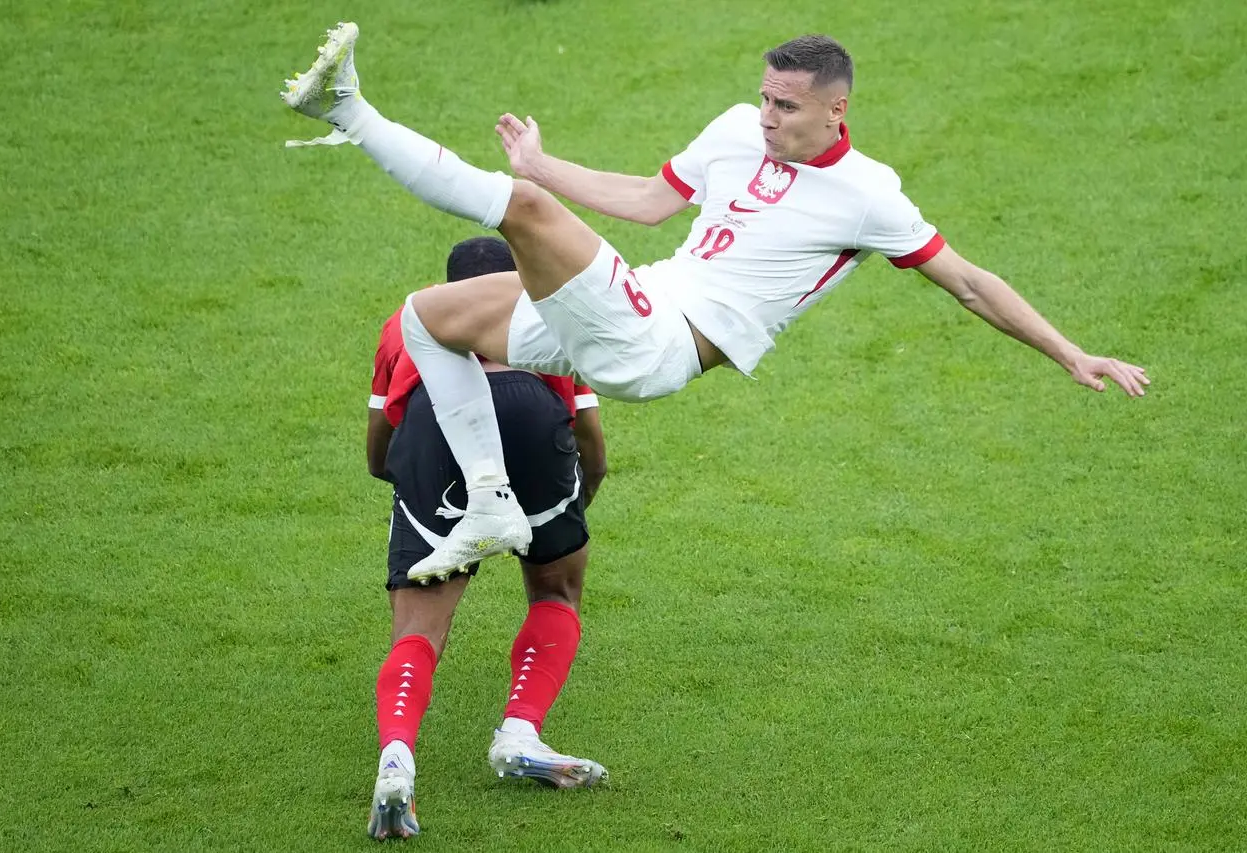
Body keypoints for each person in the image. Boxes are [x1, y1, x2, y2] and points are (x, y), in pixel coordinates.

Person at [282, 23, 1149, 584]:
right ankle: (484, 505)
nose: (767, 115)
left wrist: (1072, 352)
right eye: (766, 96)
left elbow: (968, 281)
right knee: (426, 317)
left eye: (787, 106)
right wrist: (545, 163)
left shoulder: (870, 195)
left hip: (663, 341)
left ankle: (347, 107)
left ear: (836, 110)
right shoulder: (737, 127)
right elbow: (650, 198)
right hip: (644, 295)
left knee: (524, 216)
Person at [364, 236, 609, 841]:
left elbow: (379, 447)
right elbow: (592, 447)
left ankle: (396, 760)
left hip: (433, 429)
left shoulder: (410, 319)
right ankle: (519, 732)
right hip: (534, 421)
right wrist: (559, 525)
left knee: (418, 629)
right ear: (519, 274)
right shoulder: (551, 311)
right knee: (556, 595)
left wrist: (414, 484)